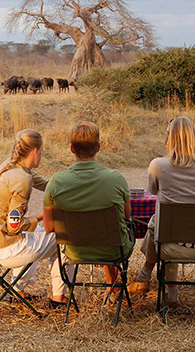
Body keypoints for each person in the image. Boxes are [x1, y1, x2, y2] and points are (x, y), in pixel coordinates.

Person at [127, 116, 195, 307]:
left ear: (169, 138)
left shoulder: (158, 165)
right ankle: (160, 285)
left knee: (158, 225)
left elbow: (152, 192)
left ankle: (153, 279)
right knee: (162, 224)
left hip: (172, 246)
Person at [42, 121, 134, 302]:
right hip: (112, 251)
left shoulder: (56, 182)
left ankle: (111, 287)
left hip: (76, 252)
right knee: (122, 229)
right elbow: (126, 216)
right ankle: (114, 288)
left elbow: (48, 226)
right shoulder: (116, 179)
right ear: (98, 147)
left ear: (72, 149)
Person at [0, 129, 68, 307]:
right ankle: (60, 297)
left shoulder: (10, 166)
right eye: (41, 151)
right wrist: (42, 217)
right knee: (62, 239)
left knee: (37, 233)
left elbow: (46, 185)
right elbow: (14, 227)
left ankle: (18, 290)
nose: (41, 155)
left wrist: (69, 183)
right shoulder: (22, 179)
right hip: (5, 248)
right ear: (35, 151)